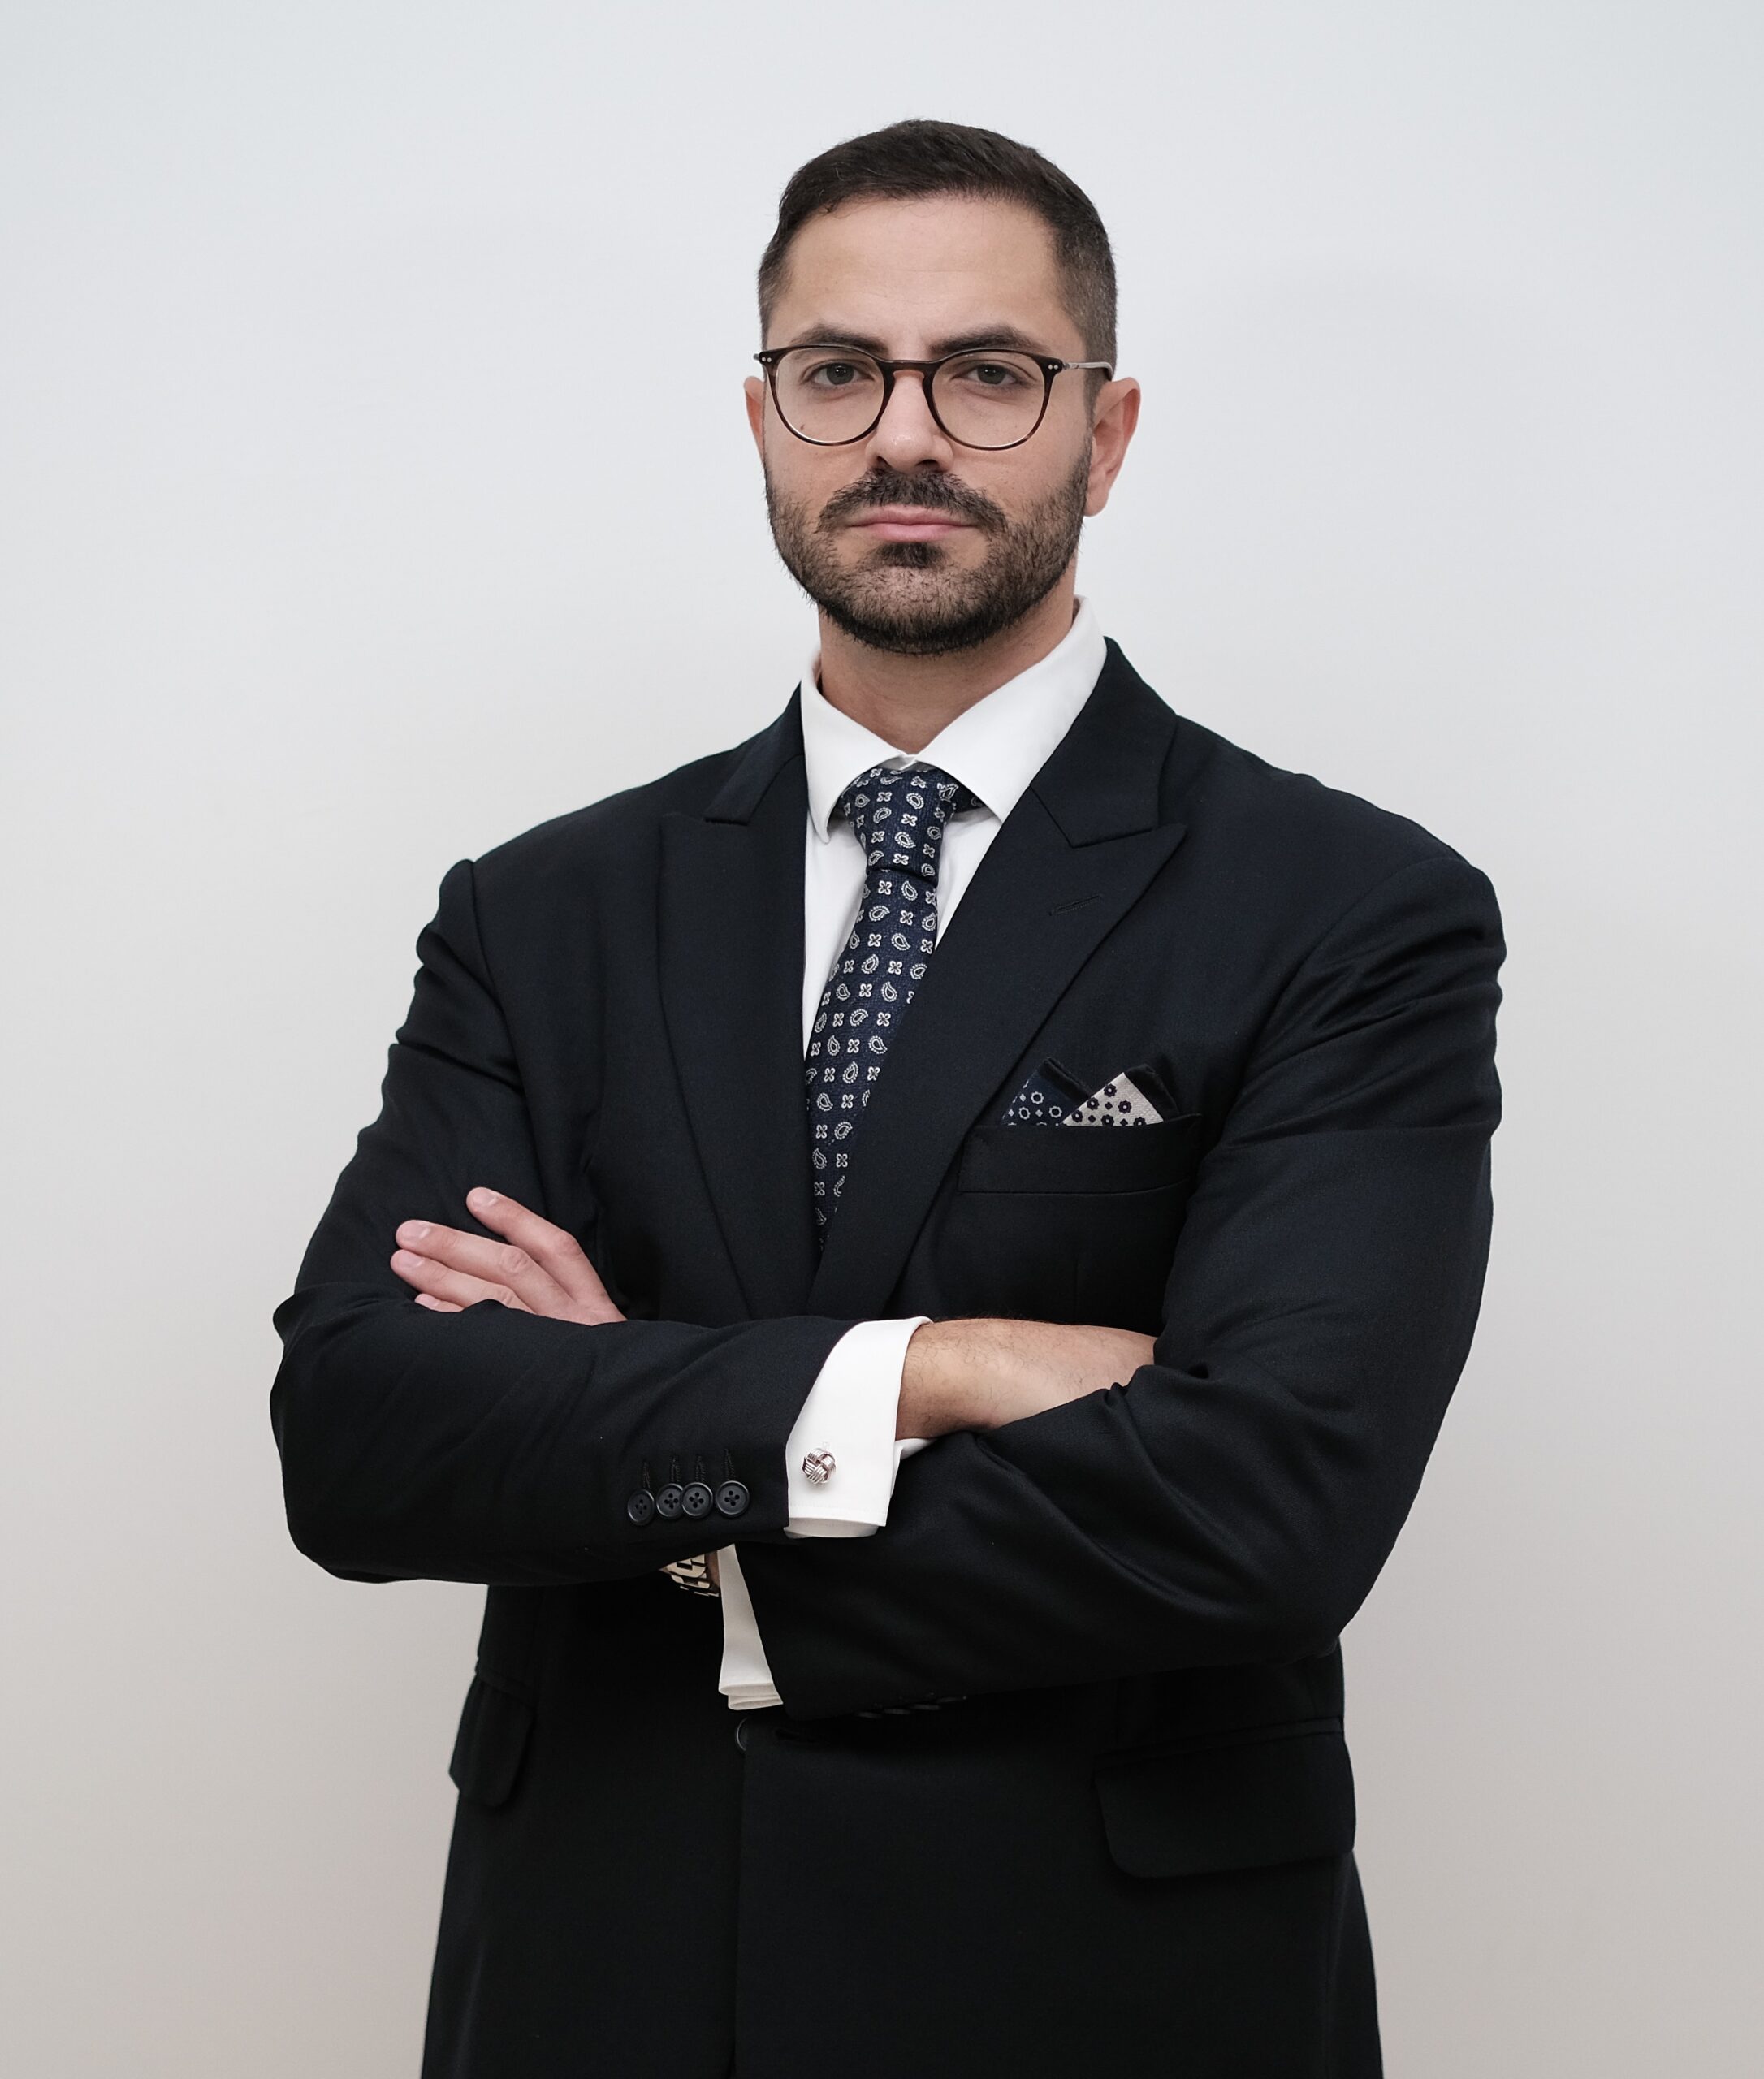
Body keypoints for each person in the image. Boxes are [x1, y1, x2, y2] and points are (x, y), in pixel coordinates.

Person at [271, 118, 1502, 2079]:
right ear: (763, 419)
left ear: (1103, 433)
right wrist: (930, 1372)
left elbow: (1270, 1503)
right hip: (612, 1956)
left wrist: (668, 1486)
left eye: (988, 374)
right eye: (838, 373)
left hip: (1108, 1991)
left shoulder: (1346, 912)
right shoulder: (545, 909)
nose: (902, 435)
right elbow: (358, 1434)